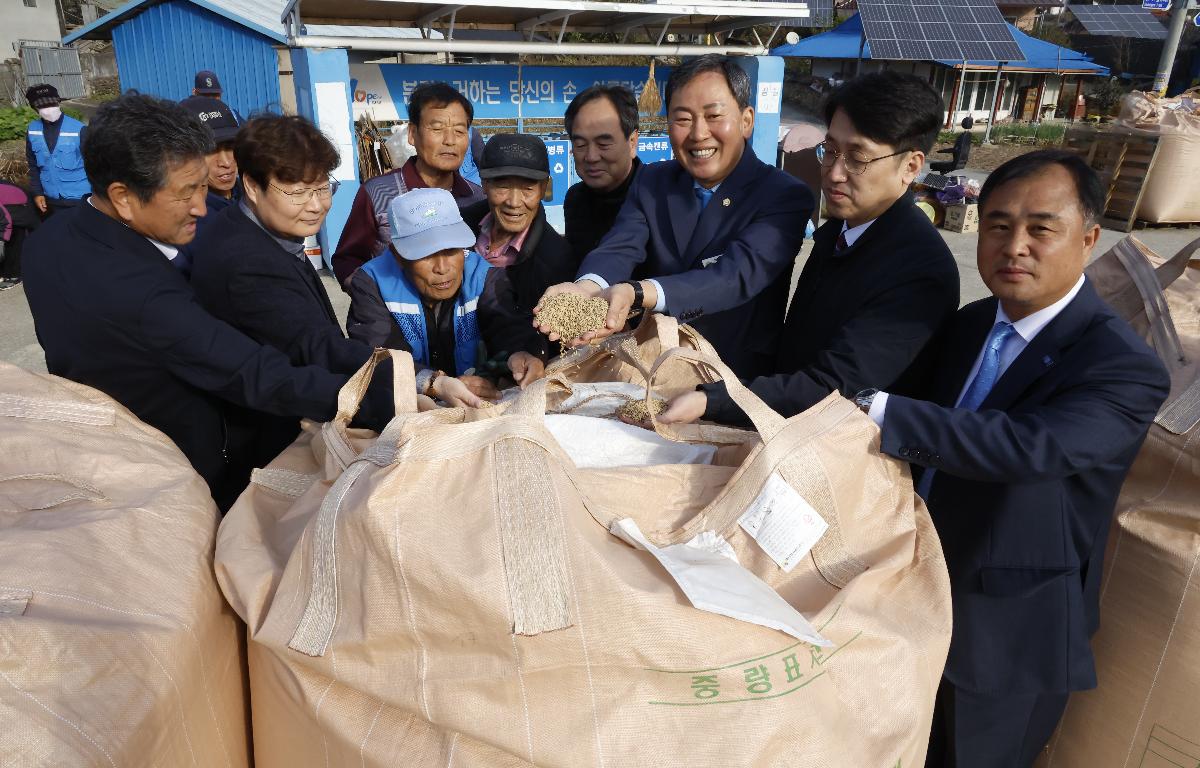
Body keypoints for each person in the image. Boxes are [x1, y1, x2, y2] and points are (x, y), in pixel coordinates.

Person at [860, 150, 1170, 767]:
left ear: (1088, 238)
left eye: (1040, 229)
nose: (1015, 245)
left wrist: (877, 408)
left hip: (1004, 635)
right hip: (908, 598)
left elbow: (1030, 447)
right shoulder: (972, 323)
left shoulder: (1122, 367)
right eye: (998, 225)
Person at [21, 93, 399, 511]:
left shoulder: (48, 241)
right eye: (186, 194)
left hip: (109, 451)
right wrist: (381, 399)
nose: (203, 208)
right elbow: (250, 372)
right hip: (181, 477)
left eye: (204, 187)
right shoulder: (141, 293)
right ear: (124, 197)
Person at [657, 72, 960, 428]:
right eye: (830, 151)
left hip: (847, 453)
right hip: (790, 429)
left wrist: (714, 399)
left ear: (910, 166)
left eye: (857, 158)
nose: (833, 173)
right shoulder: (836, 233)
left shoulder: (919, 270)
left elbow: (835, 387)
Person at [190, 115, 484, 475]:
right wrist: (419, 386)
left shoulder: (266, 234)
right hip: (258, 444)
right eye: (298, 192)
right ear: (251, 186)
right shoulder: (245, 260)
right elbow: (316, 347)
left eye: (322, 188)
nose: (316, 205)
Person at [536, 54, 814, 379]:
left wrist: (637, 292)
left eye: (713, 115)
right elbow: (621, 245)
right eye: (683, 119)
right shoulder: (654, 182)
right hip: (655, 368)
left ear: (746, 120)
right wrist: (587, 287)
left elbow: (734, 276)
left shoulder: (783, 194)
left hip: (734, 376)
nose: (698, 134)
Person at [347, 188, 539, 395]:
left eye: (451, 251)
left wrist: (522, 353)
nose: (442, 268)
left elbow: (508, 325)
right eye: (426, 254)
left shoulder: (483, 276)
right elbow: (377, 353)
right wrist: (432, 383)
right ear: (398, 255)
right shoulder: (372, 283)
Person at [332, 82, 485, 287]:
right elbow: (347, 259)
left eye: (459, 131)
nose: (450, 140)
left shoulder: (478, 197)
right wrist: (373, 298)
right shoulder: (377, 192)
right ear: (412, 134)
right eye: (437, 129)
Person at [460, 133, 575, 380]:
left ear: (543, 189)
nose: (514, 202)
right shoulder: (457, 228)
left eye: (527, 189)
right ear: (485, 184)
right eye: (502, 186)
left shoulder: (557, 261)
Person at [562, 85, 642, 263]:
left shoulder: (657, 198)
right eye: (581, 145)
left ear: (632, 142)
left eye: (604, 144)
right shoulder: (575, 199)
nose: (591, 157)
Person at [176, 94, 242, 276]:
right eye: (210, 150)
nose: (226, 162)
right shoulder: (188, 223)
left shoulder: (253, 197)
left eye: (230, 147)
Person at [24, 84, 91, 216]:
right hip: (51, 198)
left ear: (58, 102)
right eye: (42, 106)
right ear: (34, 108)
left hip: (80, 197)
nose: (48, 109)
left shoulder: (79, 129)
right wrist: (37, 193)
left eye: (52, 104)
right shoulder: (33, 130)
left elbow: (95, 165)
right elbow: (33, 165)